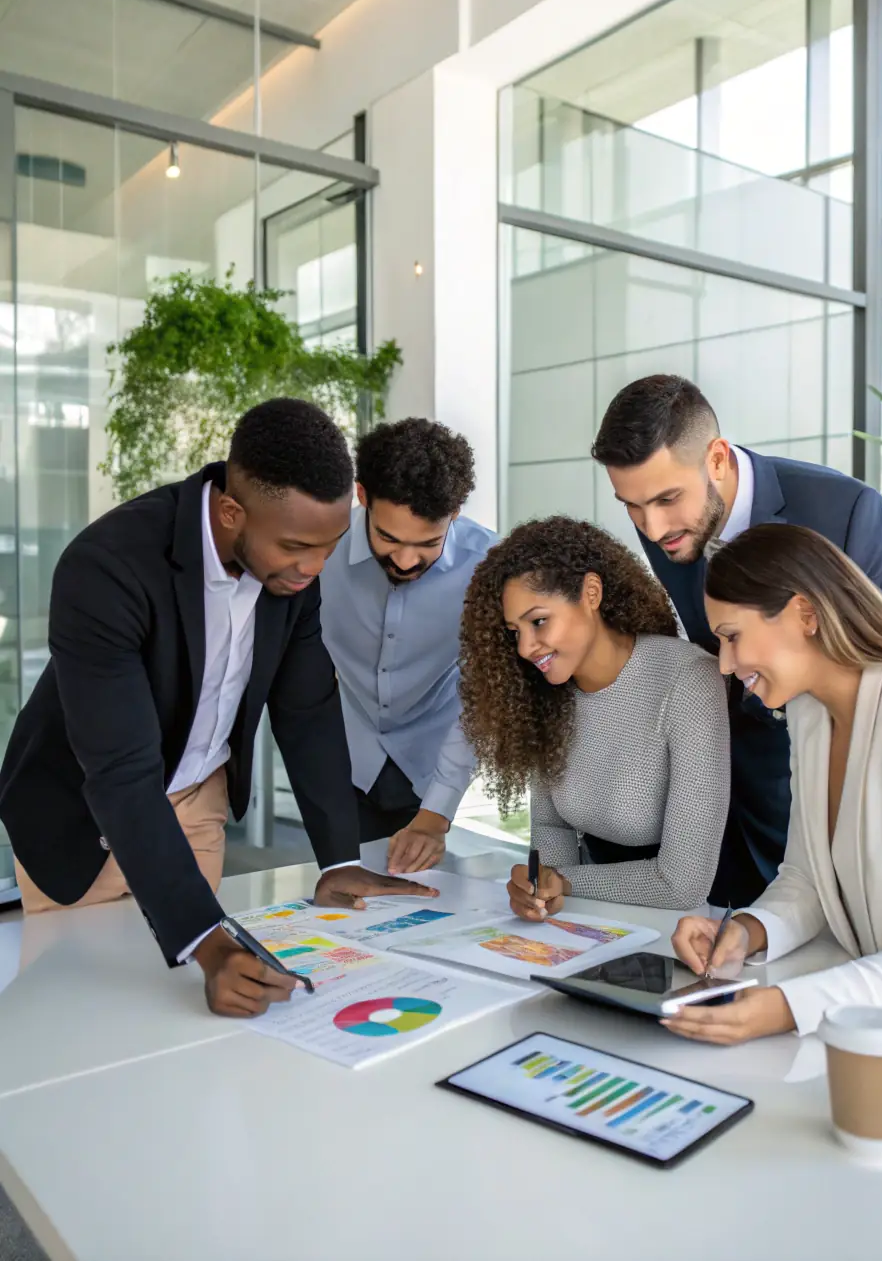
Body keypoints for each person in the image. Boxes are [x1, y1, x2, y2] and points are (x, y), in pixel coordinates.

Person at [0, 398, 437, 1017]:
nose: (313, 568)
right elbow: (120, 772)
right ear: (232, 512)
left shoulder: (295, 570)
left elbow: (307, 708)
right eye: (294, 547)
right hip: (85, 810)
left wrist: (338, 858)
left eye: (328, 547)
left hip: (198, 795)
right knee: (91, 1007)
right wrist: (205, 938)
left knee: (184, 1007)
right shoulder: (107, 567)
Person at [664, 523, 882, 1046]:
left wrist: (786, 1007)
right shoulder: (811, 712)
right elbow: (808, 879)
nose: (725, 663)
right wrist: (745, 931)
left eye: (732, 637)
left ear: (804, 614)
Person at [592, 374, 882, 908]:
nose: (652, 528)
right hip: (728, 801)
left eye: (665, 499)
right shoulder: (662, 518)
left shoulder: (846, 513)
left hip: (835, 795)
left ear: (718, 460)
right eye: (632, 506)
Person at [459, 516, 730, 916]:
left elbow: (682, 885)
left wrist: (565, 883)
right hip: (586, 918)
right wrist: (541, 890)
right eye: (515, 632)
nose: (525, 648)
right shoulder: (548, 693)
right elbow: (552, 828)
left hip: (685, 928)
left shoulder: (688, 681)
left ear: (591, 592)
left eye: (538, 622)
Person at [319, 417, 496, 874]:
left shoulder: (489, 570)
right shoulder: (318, 550)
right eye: (389, 538)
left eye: (427, 544)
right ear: (362, 497)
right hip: (341, 757)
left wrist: (436, 814)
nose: (404, 560)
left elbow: (484, 696)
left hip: (431, 762)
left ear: (454, 512)